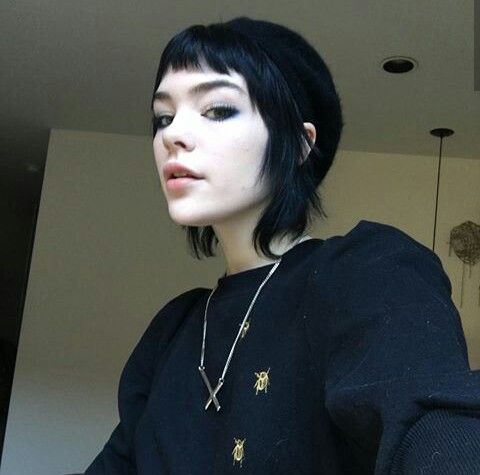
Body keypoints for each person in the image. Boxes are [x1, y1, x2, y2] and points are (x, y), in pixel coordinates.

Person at [78, 16, 480, 474]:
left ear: (299, 144)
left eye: (217, 109)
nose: (172, 135)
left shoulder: (366, 272)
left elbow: (435, 429)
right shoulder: (173, 331)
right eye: (163, 117)